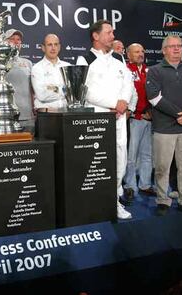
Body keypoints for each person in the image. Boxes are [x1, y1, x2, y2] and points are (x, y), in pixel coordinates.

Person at [76, 20, 134, 219]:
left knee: (120, 158)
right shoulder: (84, 59)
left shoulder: (119, 59)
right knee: (97, 162)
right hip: (97, 120)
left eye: (113, 32)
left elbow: (128, 84)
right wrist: (112, 103)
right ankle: (94, 203)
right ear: (96, 36)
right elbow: (86, 90)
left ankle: (114, 202)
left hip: (119, 118)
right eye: (109, 32)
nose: (113, 36)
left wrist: (123, 103)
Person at [146, 35, 182, 216]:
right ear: (163, 50)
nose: (176, 49)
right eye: (172, 46)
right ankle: (163, 201)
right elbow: (154, 97)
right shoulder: (155, 70)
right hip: (164, 128)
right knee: (162, 167)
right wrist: (179, 114)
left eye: (179, 46)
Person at [0, 29, 34, 132]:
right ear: (5, 42)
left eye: (18, 39)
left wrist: (33, 111)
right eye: (12, 39)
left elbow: (32, 91)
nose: (16, 42)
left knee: (30, 148)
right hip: (3, 119)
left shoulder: (28, 63)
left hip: (27, 118)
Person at [123, 43, 155, 202]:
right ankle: (130, 186)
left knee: (147, 154)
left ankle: (145, 184)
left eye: (142, 51)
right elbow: (126, 94)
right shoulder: (124, 70)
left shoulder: (150, 71)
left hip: (149, 118)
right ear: (128, 54)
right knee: (131, 155)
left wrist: (152, 112)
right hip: (134, 118)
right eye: (136, 52)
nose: (140, 54)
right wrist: (136, 113)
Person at [31, 33, 70, 111]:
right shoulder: (37, 68)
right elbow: (41, 95)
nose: (53, 48)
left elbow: (72, 92)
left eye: (56, 44)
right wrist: (63, 90)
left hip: (66, 112)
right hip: (47, 114)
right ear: (43, 48)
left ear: (59, 47)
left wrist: (52, 88)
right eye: (49, 45)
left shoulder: (68, 66)